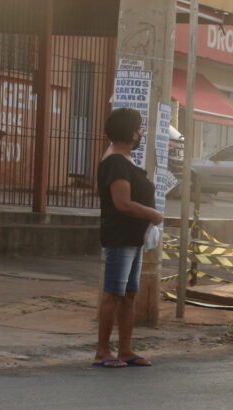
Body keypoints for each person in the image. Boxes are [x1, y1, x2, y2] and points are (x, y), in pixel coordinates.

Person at [94, 107, 164, 369]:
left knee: (129, 293)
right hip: (120, 236)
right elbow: (122, 203)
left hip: (134, 238)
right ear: (128, 131)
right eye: (138, 128)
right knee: (113, 293)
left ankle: (125, 348)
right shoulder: (115, 162)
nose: (140, 133)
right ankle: (103, 351)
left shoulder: (125, 159)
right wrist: (152, 213)